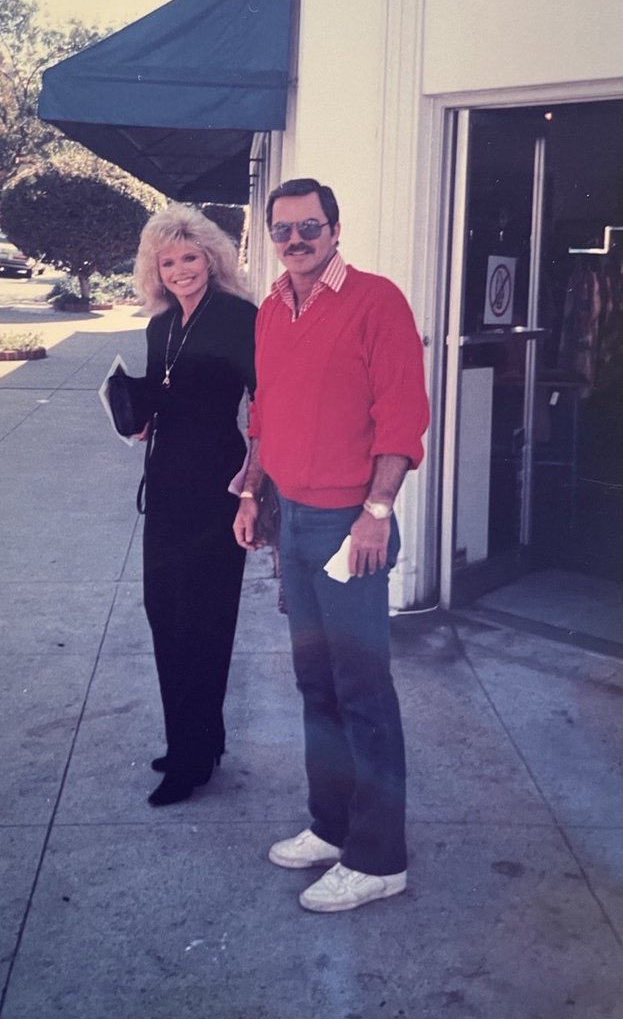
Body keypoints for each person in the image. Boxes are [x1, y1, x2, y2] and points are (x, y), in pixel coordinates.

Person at [233, 178, 430, 913]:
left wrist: (377, 511)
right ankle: (332, 825)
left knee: (362, 690)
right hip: (292, 519)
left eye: (309, 227)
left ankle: (378, 860)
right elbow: (264, 412)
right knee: (316, 685)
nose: (295, 241)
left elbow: (402, 415)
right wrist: (252, 492)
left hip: (349, 524)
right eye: (282, 230)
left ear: (335, 230)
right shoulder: (271, 309)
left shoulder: (376, 301)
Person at [133, 203, 257, 807]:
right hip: (165, 485)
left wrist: (254, 484)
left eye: (190, 258)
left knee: (204, 618)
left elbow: (265, 402)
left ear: (211, 258)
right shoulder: (160, 326)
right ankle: (194, 738)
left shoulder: (239, 317)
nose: (181, 270)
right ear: (155, 270)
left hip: (217, 484)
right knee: (164, 610)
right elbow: (159, 397)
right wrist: (135, 416)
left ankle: (191, 756)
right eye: (169, 262)